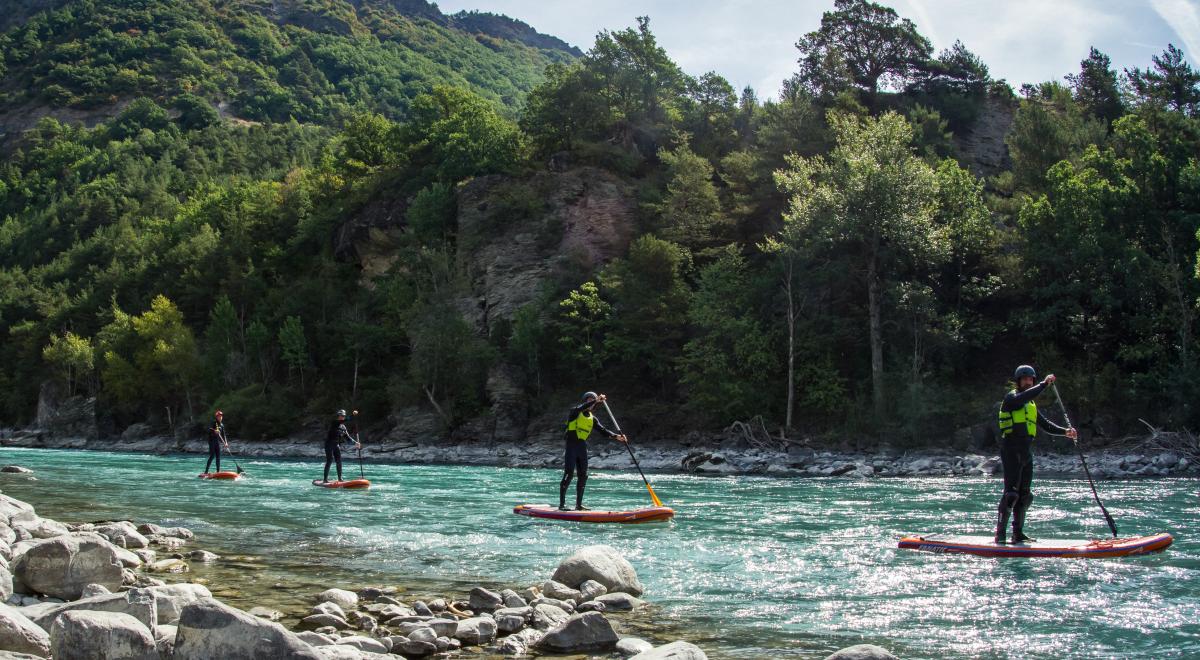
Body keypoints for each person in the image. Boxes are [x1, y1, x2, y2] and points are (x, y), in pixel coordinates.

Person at [995, 365, 1078, 544]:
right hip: (1011, 450)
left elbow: (1045, 424)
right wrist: (1043, 384)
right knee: (1011, 494)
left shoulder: (1030, 405)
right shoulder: (1012, 398)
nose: (1028, 382)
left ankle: (1017, 533)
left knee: (1025, 495)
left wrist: (1065, 432)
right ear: (1018, 381)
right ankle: (1000, 535)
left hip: (1025, 452)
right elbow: (1025, 396)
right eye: (1025, 379)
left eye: (1030, 379)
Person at [560, 392, 626, 511]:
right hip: (571, 446)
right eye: (589, 400)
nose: (591, 403)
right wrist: (596, 400)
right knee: (569, 473)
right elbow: (581, 408)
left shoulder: (592, 418)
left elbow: (603, 430)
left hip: (581, 447)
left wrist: (617, 436)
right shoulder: (575, 411)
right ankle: (562, 505)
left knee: (583, 475)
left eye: (593, 401)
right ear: (584, 401)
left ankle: (578, 505)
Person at [322, 409, 361, 483]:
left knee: (339, 461)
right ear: (338, 416)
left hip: (336, 445)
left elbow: (347, 437)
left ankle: (340, 478)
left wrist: (356, 443)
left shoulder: (343, 427)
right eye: (341, 415)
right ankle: (325, 479)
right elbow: (346, 420)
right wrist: (352, 415)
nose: (342, 417)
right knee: (329, 460)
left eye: (343, 416)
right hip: (329, 444)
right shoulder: (335, 422)